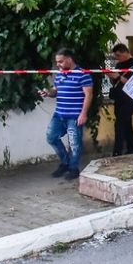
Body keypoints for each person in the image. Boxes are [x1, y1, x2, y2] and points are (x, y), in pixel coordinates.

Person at [39, 48, 93, 180]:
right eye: (57, 62)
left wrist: (83, 114)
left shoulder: (83, 74)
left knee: (75, 144)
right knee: (51, 138)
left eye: (60, 61)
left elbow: (88, 95)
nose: (58, 64)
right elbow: (55, 91)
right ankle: (65, 163)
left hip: (74, 115)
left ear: (69, 59)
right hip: (59, 114)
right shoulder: (60, 74)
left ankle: (74, 169)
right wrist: (48, 92)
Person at [107, 43, 133, 156]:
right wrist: (111, 77)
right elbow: (116, 82)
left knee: (119, 124)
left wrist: (118, 76)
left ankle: (117, 151)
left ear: (126, 52)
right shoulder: (119, 65)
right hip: (119, 98)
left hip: (130, 100)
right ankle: (132, 149)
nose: (117, 58)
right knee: (126, 124)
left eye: (118, 55)